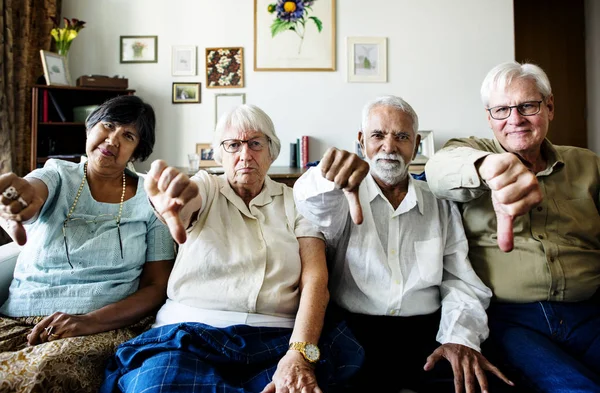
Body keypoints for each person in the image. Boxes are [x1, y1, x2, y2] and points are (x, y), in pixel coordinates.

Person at [100, 104, 363, 393]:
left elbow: (315, 279)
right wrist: (169, 202)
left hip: (277, 338)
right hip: (188, 335)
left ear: (271, 152)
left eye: (255, 144)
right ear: (219, 155)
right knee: (156, 386)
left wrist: (299, 354)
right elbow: (186, 202)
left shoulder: (297, 200)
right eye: (233, 145)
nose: (245, 154)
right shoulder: (206, 186)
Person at [293, 95, 512, 393]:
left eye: (401, 136)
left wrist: (458, 338)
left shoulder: (439, 201)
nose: (389, 146)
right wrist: (327, 175)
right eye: (378, 135)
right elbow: (310, 203)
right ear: (361, 140)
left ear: (416, 143)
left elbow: (459, 281)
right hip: (353, 332)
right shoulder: (339, 195)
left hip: (427, 331)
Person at [425, 61, 600, 392]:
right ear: (489, 119)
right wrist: (490, 166)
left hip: (588, 313)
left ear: (549, 107)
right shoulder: (469, 153)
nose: (515, 119)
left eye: (527, 106)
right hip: (512, 320)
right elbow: (437, 171)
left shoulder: (588, 164)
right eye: (501, 110)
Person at [0, 95, 175, 393]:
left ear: (137, 150)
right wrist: (15, 197)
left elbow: (156, 286)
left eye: (128, 135)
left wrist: (88, 322)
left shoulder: (150, 196)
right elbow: (31, 194)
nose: (113, 139)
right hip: (18, 318)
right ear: (90, 127)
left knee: (43, 374)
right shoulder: (57, 173)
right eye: (107, 125)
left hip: (101, 326)